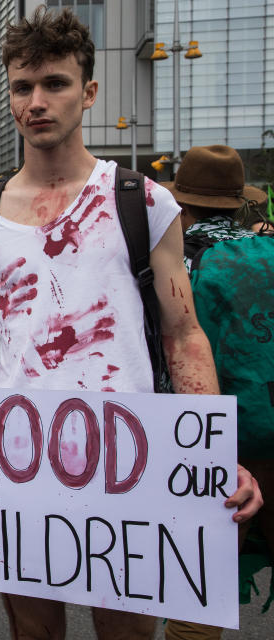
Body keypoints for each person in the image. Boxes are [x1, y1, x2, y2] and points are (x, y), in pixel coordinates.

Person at [0, 9, 262, 640]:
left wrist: (211, 449)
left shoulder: (143, 200)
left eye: (55, 84)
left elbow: (183, 333)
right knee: (33, 633)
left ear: (88, 92)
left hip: (127, 458)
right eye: (22, 86)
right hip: (18, 457)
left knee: (125, 633)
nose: (36, 102)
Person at [162, 145, 274, 640]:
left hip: (209, 443)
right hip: (271, 428)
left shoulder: (172, 265)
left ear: (181, 207)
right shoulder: (269, 251)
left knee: (201, 593)